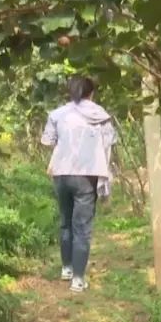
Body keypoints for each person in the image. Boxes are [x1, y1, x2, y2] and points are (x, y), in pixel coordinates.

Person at [41, 76, 117, 293]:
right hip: (87, 175)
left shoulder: (58, 114)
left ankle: (66, 268)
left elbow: (47, 141)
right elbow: (109, 143)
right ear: (91, 93)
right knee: (81, 228)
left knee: (65, 222)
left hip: (62, 173)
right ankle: (78, 279)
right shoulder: (100, 115)